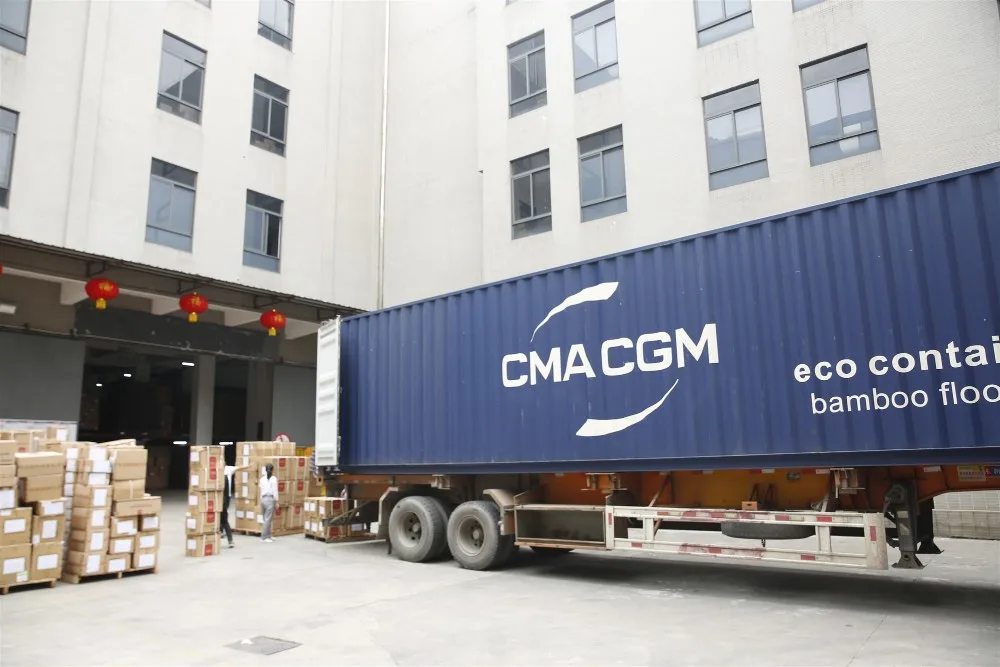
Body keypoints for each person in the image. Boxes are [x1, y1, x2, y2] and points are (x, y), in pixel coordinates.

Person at [219, 464, 241, 548]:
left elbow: (224, 493)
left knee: (224, 521)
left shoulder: (222, 479)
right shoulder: (222, 478)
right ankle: (229, 540)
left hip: (221, 504)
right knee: (223, 522)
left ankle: (230, 540)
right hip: (220, 503)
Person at [260, 463, 279, 543]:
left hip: (263, 499)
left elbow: (261, 489)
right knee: (268, 519)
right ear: (273, 470)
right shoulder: (274, 479)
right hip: (270, 499)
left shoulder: (262, 479)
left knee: (266, 519)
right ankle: (264, 537)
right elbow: (275, 491)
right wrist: (276, 501)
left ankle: (268, 535)